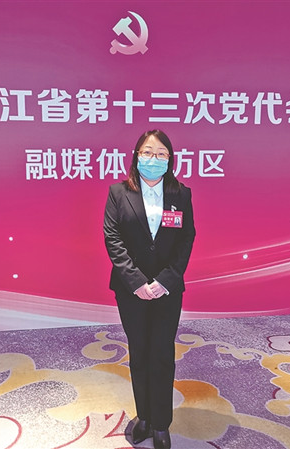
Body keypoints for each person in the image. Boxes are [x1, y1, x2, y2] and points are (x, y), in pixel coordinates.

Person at [103, 130, 196, 449]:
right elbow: (113, 239)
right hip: (131, 291)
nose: (153, 159)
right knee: (139, 353)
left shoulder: (181, 193)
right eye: (147, 152)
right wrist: (137, 283)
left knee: (162, 354)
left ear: (170, 159)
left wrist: (166, 280)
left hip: (167, 290)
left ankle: (161, 424)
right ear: (136, 156)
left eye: (160, 154)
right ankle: (143, 417)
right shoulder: (118, 193)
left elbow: (186, 239)